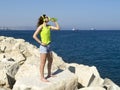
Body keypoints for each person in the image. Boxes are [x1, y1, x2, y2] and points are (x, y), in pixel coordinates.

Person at [33, 14, 60, 82]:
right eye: (47, 17)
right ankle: (42, 77)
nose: (48, 18)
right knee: (43, 62)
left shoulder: (49, 26)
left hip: (49, 46)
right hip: (43, 47)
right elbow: (34, 36)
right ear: (44, 19)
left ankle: (49, 74)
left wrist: (55, 21)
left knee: (50, 60)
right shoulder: (41, 27)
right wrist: (40, 42)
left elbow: (58, 28)